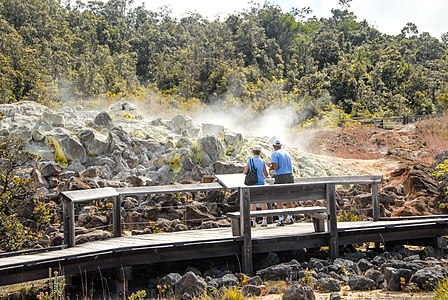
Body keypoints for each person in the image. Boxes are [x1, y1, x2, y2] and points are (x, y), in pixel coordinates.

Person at [268, 139, 294, 226]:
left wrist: (270, 166)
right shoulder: (287, 153)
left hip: (281, 176)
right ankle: (290, 218)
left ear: (273, 146)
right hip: (290, 176)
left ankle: (281, 219)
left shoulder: (275, 154)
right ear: (280, 145)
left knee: (278, 197)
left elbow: (275, 167)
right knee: (289, 197)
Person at [243, 145, 269, 227]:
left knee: (252, 203)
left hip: (252, 184)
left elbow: (245, 171)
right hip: (261, 183)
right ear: (260, 152)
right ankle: (264, 221)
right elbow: (266, 174)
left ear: (253, 152)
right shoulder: (262, 161)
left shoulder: (250, 161)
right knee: (263, 202)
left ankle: (253, 221)